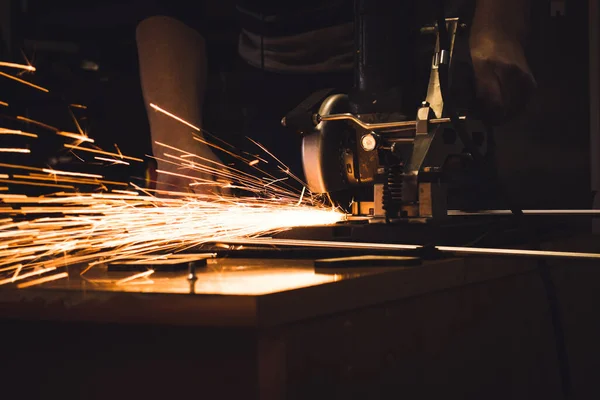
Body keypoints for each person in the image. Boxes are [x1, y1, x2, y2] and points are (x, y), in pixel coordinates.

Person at [136, 0, 536, 193]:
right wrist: (176, 146)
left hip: (413, 81)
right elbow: (169, 11)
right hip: (270, 105)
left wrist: (498, 25)